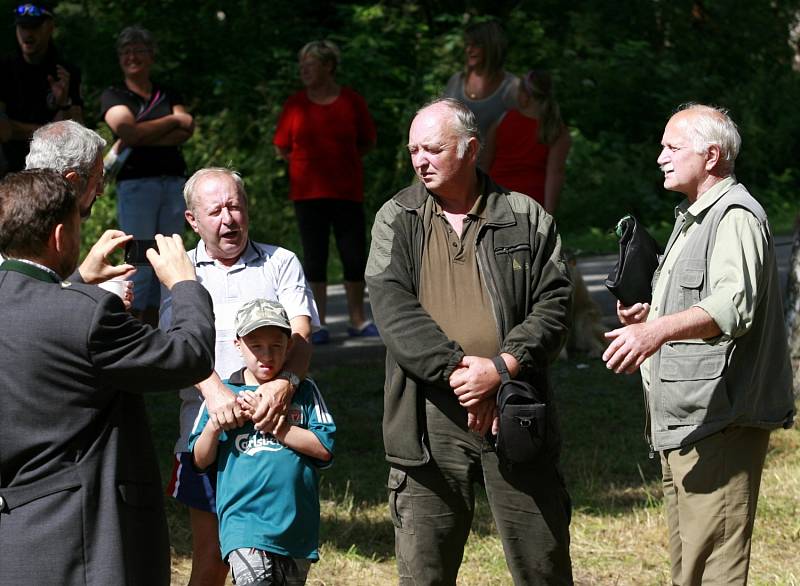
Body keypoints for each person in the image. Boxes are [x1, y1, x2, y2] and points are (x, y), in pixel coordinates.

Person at [365, 98, 573, 585]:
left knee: (542, 566)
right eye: (413, 150)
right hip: (426, 420)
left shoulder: (526, 216)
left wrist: (501, 369)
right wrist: (466, 376)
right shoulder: (395, 218)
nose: (421, 160)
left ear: (471, 148)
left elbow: (555, 305)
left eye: (433, 149)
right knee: (424, 571)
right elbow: (393, 312)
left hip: (516, 411)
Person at [602, 104, 795, 585]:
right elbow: (701, 301)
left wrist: (655, 332)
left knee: (714, 571)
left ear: (711, 156)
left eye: (672, 147)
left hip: (722, 422)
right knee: (690, 567)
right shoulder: (695, 217)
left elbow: (733, 307)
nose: (660, 157)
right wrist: (648, 316)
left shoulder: (734, 216)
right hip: (691, 421)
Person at [0, 169, 215, 585]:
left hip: (15, 541)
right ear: (61, 236)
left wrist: (77, 281)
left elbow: (40, 325)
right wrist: (184, 284)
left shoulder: (68, 308)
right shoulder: (87, 314)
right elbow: (188, 357)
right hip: (84, 544)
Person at [161, 167, 319, 586]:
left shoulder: (280, 262)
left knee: (276, 560)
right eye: (215, 211)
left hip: (274, 436)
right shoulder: (180, 270)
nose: (228, 219)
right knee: (213, 561)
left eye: (235, 206)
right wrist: (215, 393)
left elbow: (302, 333)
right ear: (192, 220)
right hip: (208, 436)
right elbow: (175, 344)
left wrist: (284, 385)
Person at [190, 298, 335, 586]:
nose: (265, 355)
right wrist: (215, 425)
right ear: (237, 345)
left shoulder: (304, 391)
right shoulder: (225, 395)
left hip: (295, 527)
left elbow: (324, 449)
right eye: (255, 346)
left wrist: (276, 427)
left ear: (289, 346)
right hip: (244, 526)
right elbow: (199, 458)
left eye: (276, 346)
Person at [273, 39, 378, 344]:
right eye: (302, 65)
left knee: (353, 256)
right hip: (307, 194)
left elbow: (367, 141)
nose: (304, 70)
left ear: (329, 66)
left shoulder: (351, 101)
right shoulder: (295, 104)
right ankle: (319, 323)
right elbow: (282, 146)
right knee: (315, 257)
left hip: (347, 190)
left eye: (311, 64)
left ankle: (358, 320)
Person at [101, 25, 194, 325]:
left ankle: (165, 322)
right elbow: (128, 132)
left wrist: (144, 135)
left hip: (172, 182)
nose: (132, 56)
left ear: (152, 55)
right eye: (126, 51)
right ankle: (136, 324)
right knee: (139, 256)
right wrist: (171, 121)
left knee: (169, 252)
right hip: (136, 185)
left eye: (139, 50)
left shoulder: (167, 92)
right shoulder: (114, 94)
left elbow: (186, 129)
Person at [0, 2, 83, 175]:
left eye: (34, 27)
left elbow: (75, 134)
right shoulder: (3, 69)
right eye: (22, 27)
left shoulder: (66, 73)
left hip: (52, 174)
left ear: (50, 27)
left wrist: (64, 103)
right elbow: (4, 131)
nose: (27, 34)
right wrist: (50, 130)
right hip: (9, 173)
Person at [484, 69, 571, 214]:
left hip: (495, 197)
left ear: (525, 96)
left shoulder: (502, 120)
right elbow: (555, 174)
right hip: (531, 205)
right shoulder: (556, 129)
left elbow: (485, 162)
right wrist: (549, 215)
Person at [443, 20, 518, 142]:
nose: (469, 50)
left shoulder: (512, 86)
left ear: (491, 47)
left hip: (495, 160)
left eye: (476, 45)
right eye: (467, 44)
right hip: (455, 158)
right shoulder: (456, 81)